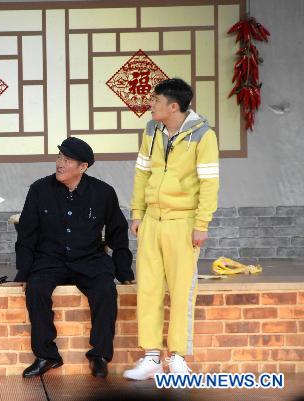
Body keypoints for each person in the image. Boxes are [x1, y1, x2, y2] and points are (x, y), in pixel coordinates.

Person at [14, 137, 134, 379]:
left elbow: (117, 234)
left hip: (89, 259)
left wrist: (124, 272)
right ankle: (46, 355)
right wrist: (23, 272)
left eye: (67, 160)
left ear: (83, 167)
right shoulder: (39, 189)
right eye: (59, 157)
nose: (59, 163)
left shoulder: (103, 193)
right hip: (50, 259)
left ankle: (100, 355)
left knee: (105, 290)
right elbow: (27, 234)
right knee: (36, 289)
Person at [124, 78, 219, 380]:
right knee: (148, 289)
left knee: (181, 292)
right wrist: (138, 213)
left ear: (173, 106)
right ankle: (151, 356)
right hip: (152, 220)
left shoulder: (203, 136)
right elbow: (141, 174)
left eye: (156, 101)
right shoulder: (151, 130)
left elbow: (209, 183)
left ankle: (177, 358)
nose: (150, 105)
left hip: (183, 223)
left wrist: (201, 224)